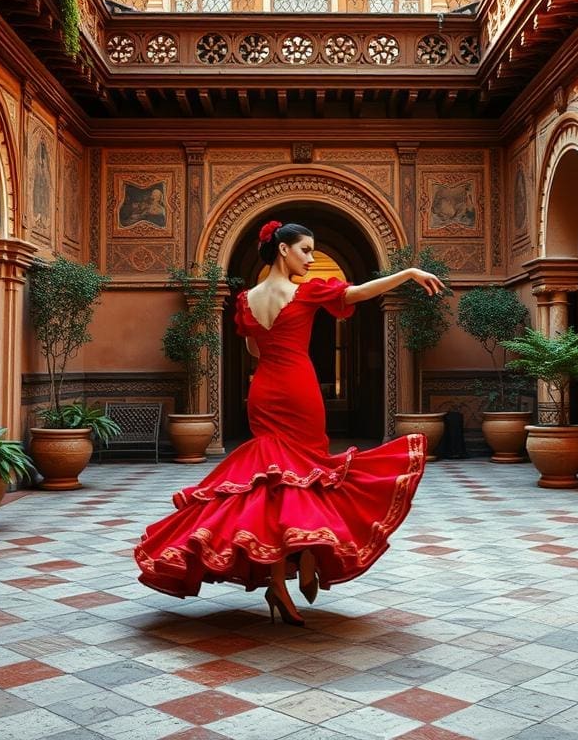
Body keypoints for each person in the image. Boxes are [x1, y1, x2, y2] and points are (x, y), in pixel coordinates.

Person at [135, 220, 445, 625]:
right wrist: (407, 273)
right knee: (308, 475)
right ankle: (305, 562)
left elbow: (253, 349)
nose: (311, 258)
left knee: (277, 481)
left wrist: (277, 348)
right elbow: (358, 293)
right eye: (305, 250)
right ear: (283, 250)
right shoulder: (307, 291)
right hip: (299, 388)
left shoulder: (247, 300)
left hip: (264, 390)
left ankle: (286, 577)